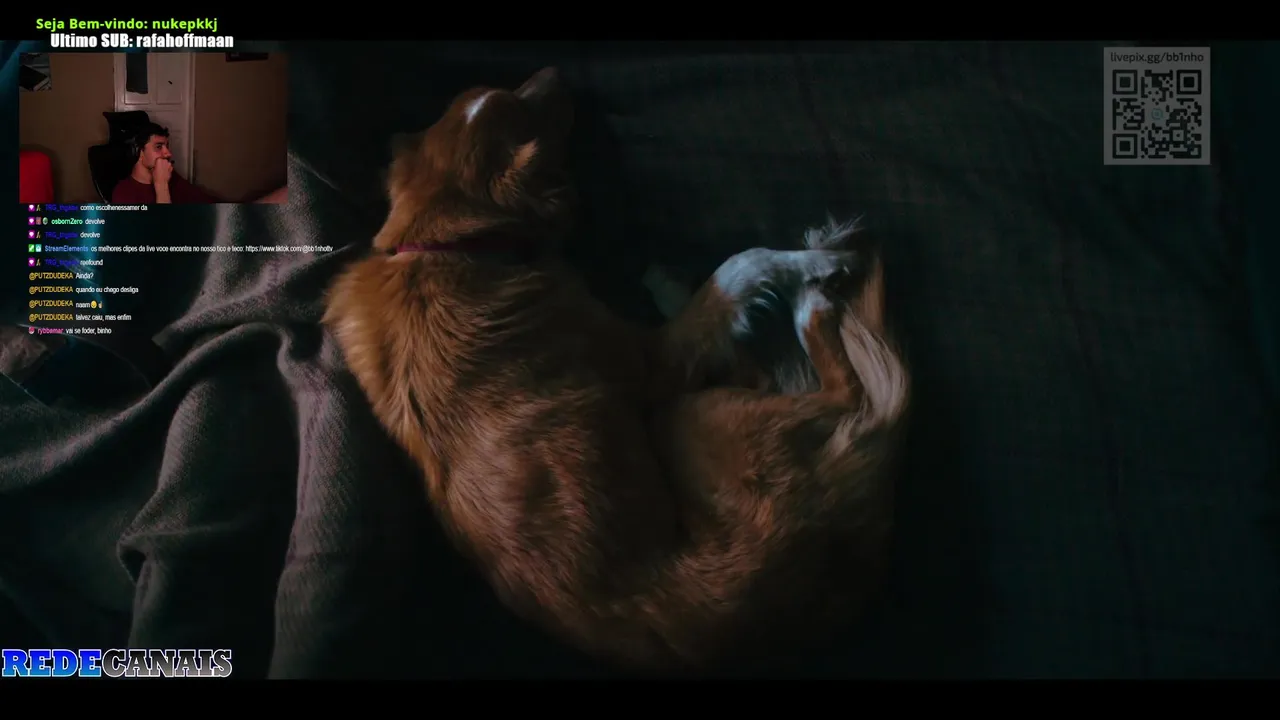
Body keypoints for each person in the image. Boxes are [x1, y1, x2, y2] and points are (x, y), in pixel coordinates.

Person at [110, 122, 287, 205]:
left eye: (167, 146)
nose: (168, 153)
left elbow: (202, 200)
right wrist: (161, 185)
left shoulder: (171, 177)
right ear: (138, 153)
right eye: (158, 147)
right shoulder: (123, 193)